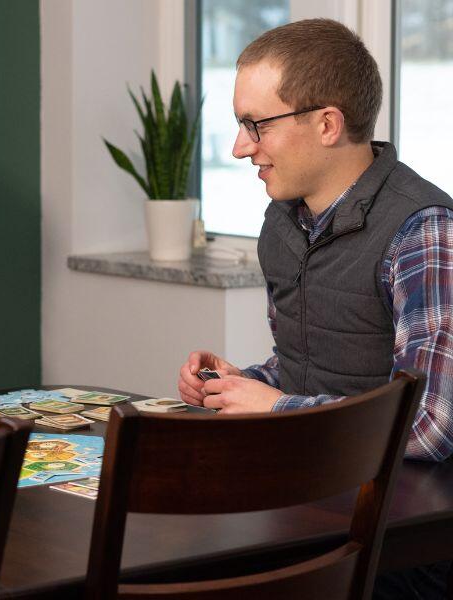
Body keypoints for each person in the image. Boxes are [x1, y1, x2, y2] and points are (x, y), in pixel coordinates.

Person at [177, 19, 451, 598]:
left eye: (257, 125)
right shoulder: (283, 221)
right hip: (314, 499)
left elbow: (431, 427)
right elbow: (318, 363)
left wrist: (276, 410)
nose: (239, 146)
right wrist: (239, 384)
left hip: (407, 537)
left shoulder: (423, 231)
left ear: (328, 124)